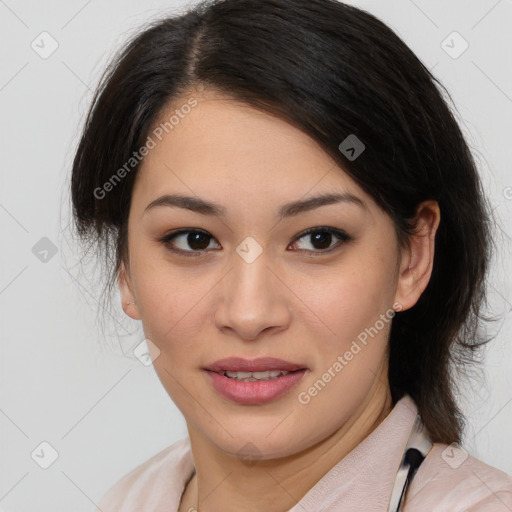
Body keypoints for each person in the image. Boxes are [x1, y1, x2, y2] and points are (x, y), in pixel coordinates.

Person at [70, 0, 512, 510]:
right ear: (125, 268)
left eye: (318, 239)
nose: (249, 314)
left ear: (412, 257)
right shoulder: (126, 500)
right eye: (193, 239)